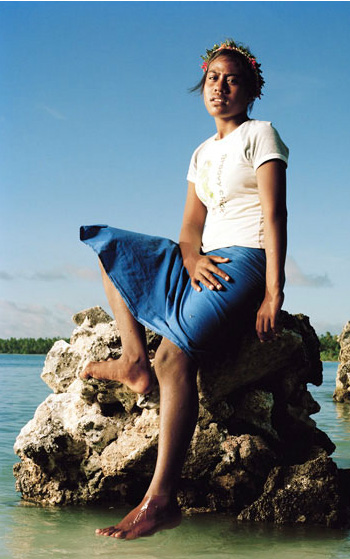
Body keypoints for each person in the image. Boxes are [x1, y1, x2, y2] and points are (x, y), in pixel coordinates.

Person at [78, 39, 288, 540]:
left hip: (244, 261)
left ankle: (160, 500)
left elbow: (274, 214)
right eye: (213, 77)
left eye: (233, 78)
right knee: (114, 251)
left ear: (251, 89)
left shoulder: (261, 135)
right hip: (203, 260)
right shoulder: (200, 152)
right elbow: (191, 226)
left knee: (173, 358)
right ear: (203, 86)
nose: (220, 86)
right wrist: (189, 257)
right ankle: (133, 361)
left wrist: (273, 292)